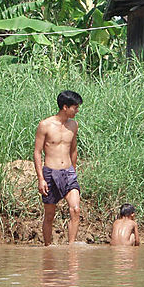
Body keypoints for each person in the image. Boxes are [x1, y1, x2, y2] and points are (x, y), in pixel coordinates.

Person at [34, 90, 83, 245]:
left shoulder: (73, 125)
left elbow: (73, 149)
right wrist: (41, 178)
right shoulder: (45, 125)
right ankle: (47, 248)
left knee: (75, 209)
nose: (77, 110)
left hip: (68, 172)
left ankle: (71, 248)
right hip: (50, 172)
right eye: (75, 107)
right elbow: (37, 152)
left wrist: (73, 171)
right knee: (49, 215)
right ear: (64, 107)